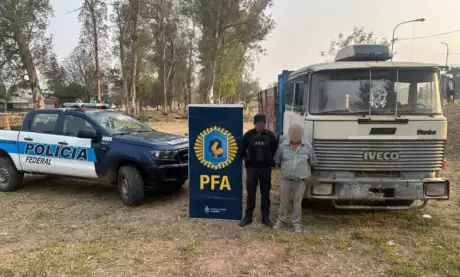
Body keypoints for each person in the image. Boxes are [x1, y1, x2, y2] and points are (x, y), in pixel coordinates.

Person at [273, 124, 318, 233]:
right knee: (284, 202)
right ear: (290, 134)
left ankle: (296, 223)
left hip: (300, 181)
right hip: (286, 179)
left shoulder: (308, 147)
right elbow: (277, 161)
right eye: (294, 133)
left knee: (297, 202)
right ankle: (280, 221)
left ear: (301, 134)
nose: (296, 135)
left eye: (298, 133)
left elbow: (313, 162)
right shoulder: (282, 147)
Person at [239, 114, 278, 228]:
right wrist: (247, 161)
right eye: (258, 124)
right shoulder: (248, 135)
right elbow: (241, 150)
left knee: (265, 193)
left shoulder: (270, 136)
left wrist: (270, 161)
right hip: (252, 168)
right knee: (250, 193)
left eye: (262, 124)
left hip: (266, 168)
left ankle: (265, 218)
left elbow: (275, 150)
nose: (260, 126)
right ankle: (248, 217)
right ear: (254, 124)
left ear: (264, 124)